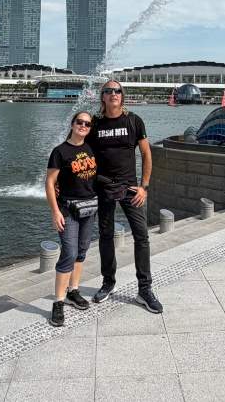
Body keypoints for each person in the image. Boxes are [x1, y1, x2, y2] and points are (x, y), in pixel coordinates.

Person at [88, 80, 162, 313]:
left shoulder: (133, 121)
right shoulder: (95, 123)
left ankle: (144, 290)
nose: (113, 94)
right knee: (106, 236)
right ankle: (108, 283)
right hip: (104, 188)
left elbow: (146, 155)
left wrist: (144, 187)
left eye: (117, 91)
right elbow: (82, 154)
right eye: (108, 91)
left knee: (141, 236)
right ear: (103, 97)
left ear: (123, 96)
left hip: (131, 189)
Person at [44, 111, 99, 327]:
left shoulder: (91, 148)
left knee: (82, 251)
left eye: (87, 124)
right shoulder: (60, 151)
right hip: (68, 209)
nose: (83, 126)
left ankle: (73, 291)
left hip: (89, 208)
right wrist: (55, 211)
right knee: (69, 252)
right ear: (73, 124)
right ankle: (58, 302)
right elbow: (49, 183)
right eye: (80, 122)